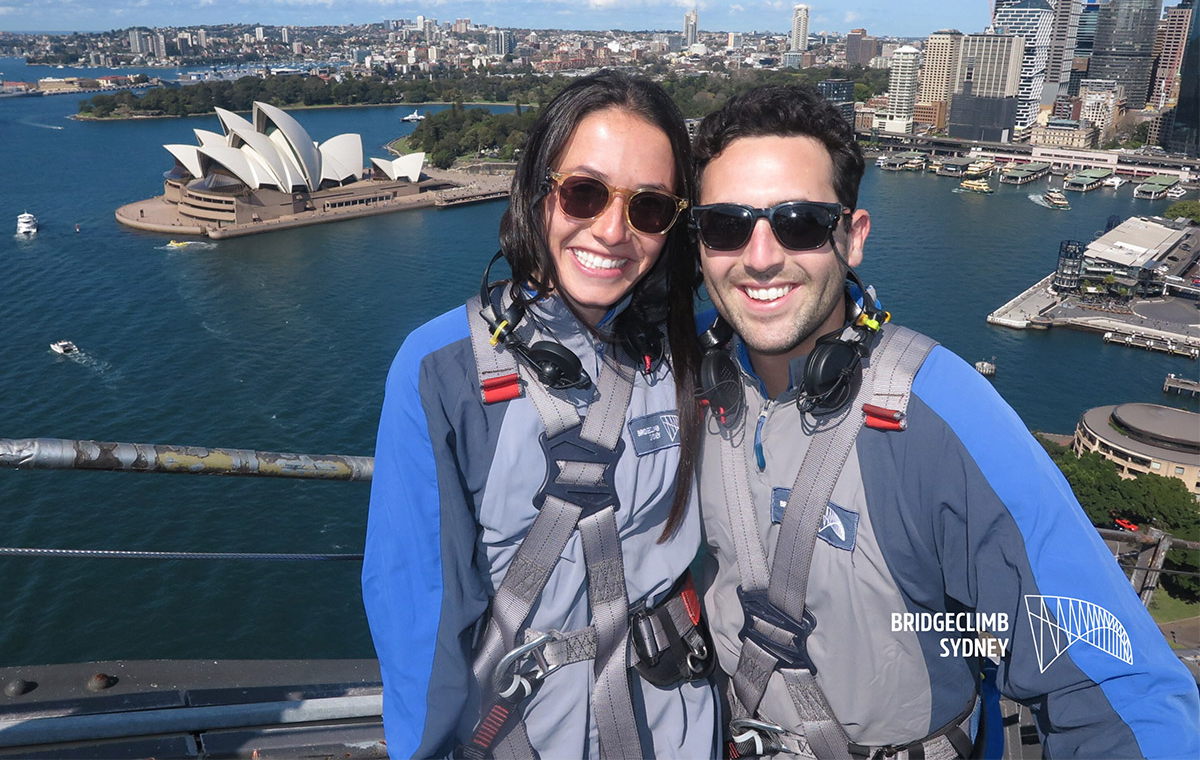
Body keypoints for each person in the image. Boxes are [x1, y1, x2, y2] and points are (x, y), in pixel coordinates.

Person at [688, 84, 1199, 759]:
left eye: (800, 223)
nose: (759, 257)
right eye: (726, 225)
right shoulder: (682, 373)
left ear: (853, 236)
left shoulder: (939, 410)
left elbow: (1113, 682)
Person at [362, 71, 718, 759]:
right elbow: (416, 608)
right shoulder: (442, 368)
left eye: (648, 208)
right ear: (538, 189)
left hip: (678, 727)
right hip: (524, 735)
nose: (611, 231)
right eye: (584, 192)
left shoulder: (700, 345)